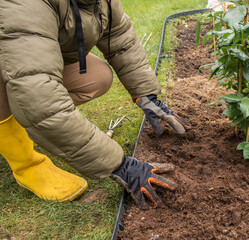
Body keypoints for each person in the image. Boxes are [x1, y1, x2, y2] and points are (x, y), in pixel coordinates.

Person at [0, 0, 190, 209]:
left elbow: (119, 36)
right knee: (27, 98)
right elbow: (39, 99)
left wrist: (146, 95)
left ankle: (31, 122)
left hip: (27, 54)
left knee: (97, 77)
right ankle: (26, 164)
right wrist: (119, 165)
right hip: (11, 53)